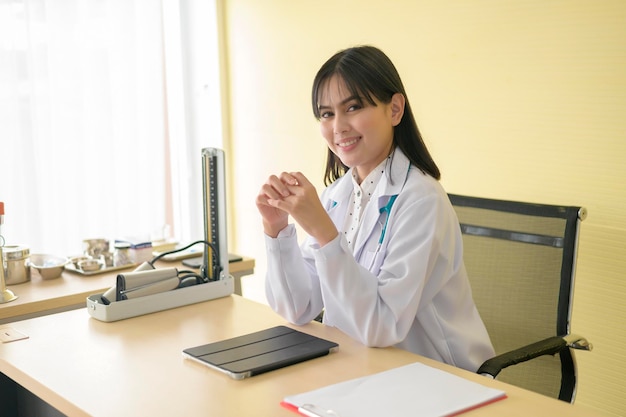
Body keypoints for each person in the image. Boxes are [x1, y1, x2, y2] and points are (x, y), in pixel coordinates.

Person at [256, 45, 494, 372]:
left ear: (395, 109)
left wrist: (325, 234)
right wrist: (277, 230)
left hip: (438, 378)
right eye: (326, 113)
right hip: (364, 369)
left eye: (353, 107)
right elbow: (298, 307)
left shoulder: (422, 200)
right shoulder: (338, 195)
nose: (338, 126)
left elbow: (382, 326)